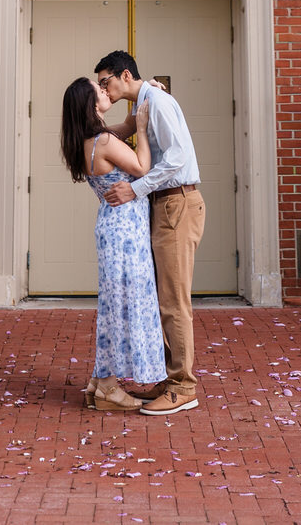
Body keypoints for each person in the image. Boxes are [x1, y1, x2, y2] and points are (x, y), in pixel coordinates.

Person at [95, 50, 205, 416]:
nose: (103, 89)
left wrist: (134, 190)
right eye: (98, 85)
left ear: (125, 76)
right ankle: (170, 378)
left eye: (105, 81)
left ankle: (183, 387)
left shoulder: (155, 102)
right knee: (164, 298)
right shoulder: (142, 103)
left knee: (174, 301)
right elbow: (112, 135)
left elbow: (175, 158)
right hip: (164, 204)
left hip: (178, 202)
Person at [60, 76, 166, 413]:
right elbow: (142, 167)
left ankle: (99, 380)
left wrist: (144, 94)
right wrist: (145, 131)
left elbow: (125, 126)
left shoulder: (89, 140)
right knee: (125, 305)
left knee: (113, 306)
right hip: (126, 234)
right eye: (99, 90)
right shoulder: (104, 141)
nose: (105, 91)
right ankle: (108, 387)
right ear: (90, 105)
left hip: (112, 227)